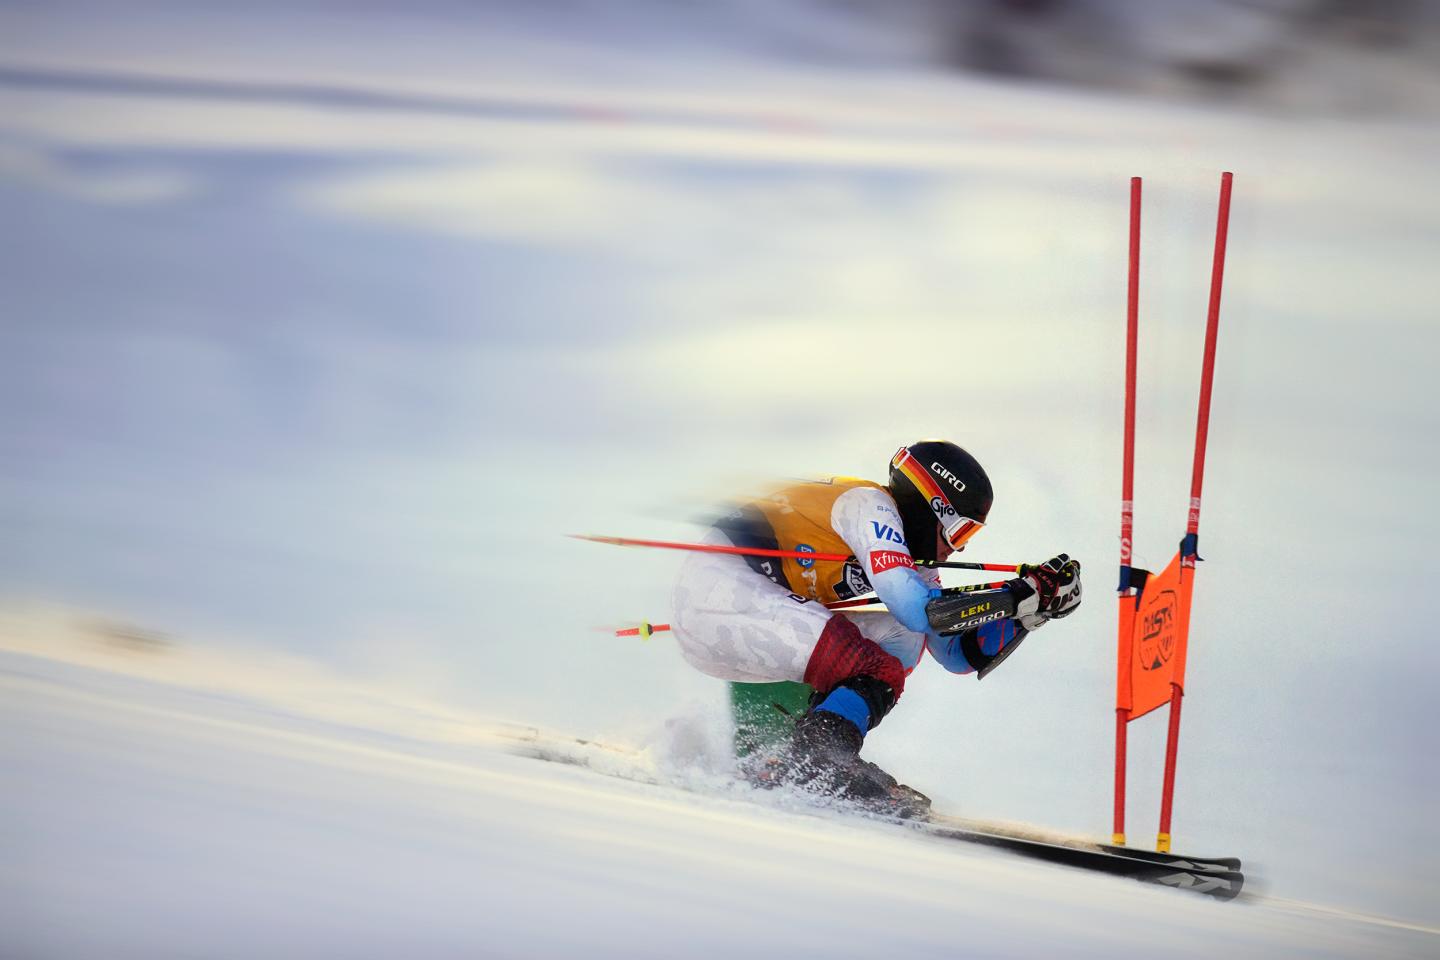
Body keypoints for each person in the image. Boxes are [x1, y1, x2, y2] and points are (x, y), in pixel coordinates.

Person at [670, 440, 1082, 815]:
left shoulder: (913, 563)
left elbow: (957, 653)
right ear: (932, 506)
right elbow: (915, 608)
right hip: (719, 593)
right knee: (887, 653)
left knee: (902, 642)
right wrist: (1013, 594)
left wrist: (1030, 610)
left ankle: (804, 755)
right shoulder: (870, 505)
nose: (960, 546)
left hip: (743, 611)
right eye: (960, 529)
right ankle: (816, 758)